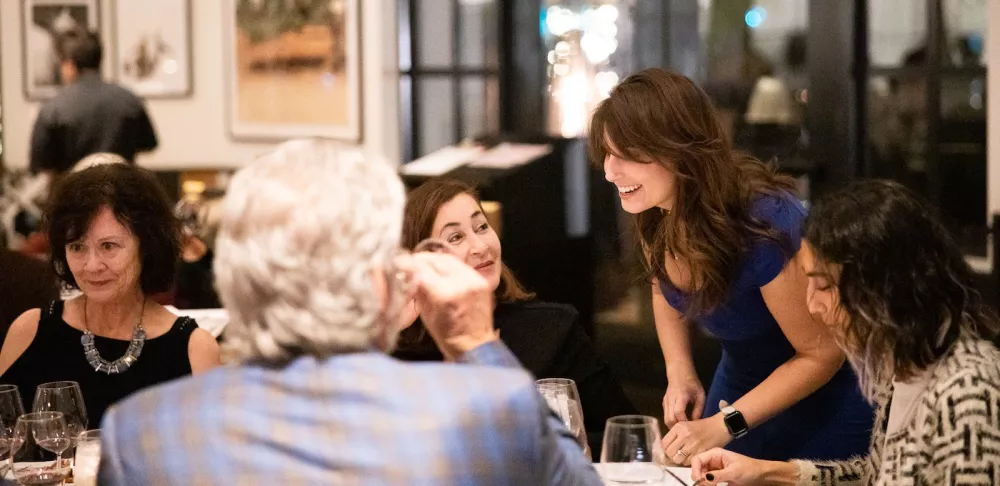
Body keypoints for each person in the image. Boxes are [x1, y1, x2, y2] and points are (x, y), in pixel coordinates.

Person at [96, 139, 603, 485]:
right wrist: (478, 348)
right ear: (383, 285)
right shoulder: (485, 410)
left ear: (235, 281)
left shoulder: (139, 432)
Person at [589, 68, 873, 463]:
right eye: (606, 154)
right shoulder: (657, 209)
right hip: (738, 382)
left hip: (824, 398)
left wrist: (723, 425)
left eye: (625, 156)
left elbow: (823, 354)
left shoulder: (764, 222)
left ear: (679, 148)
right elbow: (665, 288)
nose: (609, 171)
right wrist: (680, 370)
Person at [690, 179, 1000, 485]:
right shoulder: (904, 362)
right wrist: (764, 472)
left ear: (884, 285)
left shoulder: (968, 391)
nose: (812, 304)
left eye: (824, 285)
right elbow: (875, 475)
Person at [393, 178, 636, 456]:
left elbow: (626, 437)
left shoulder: (552, 330)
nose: (480, 246)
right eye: (456, 237)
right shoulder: (394, 349)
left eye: (481, 227)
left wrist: (545, 446)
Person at [0, 164, 221, 427]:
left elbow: (206, 461)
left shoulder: (194, 349)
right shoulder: (30, 331)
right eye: (77, 247)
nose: (92, 265)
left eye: (108, 246)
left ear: (147, 247)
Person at [29, 29, 158, 176]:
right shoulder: (129, 99)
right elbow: (149, 144)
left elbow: (40, 162)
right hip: (121, 192)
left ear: (69, 65)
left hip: (72, 194)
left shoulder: (53, 108)